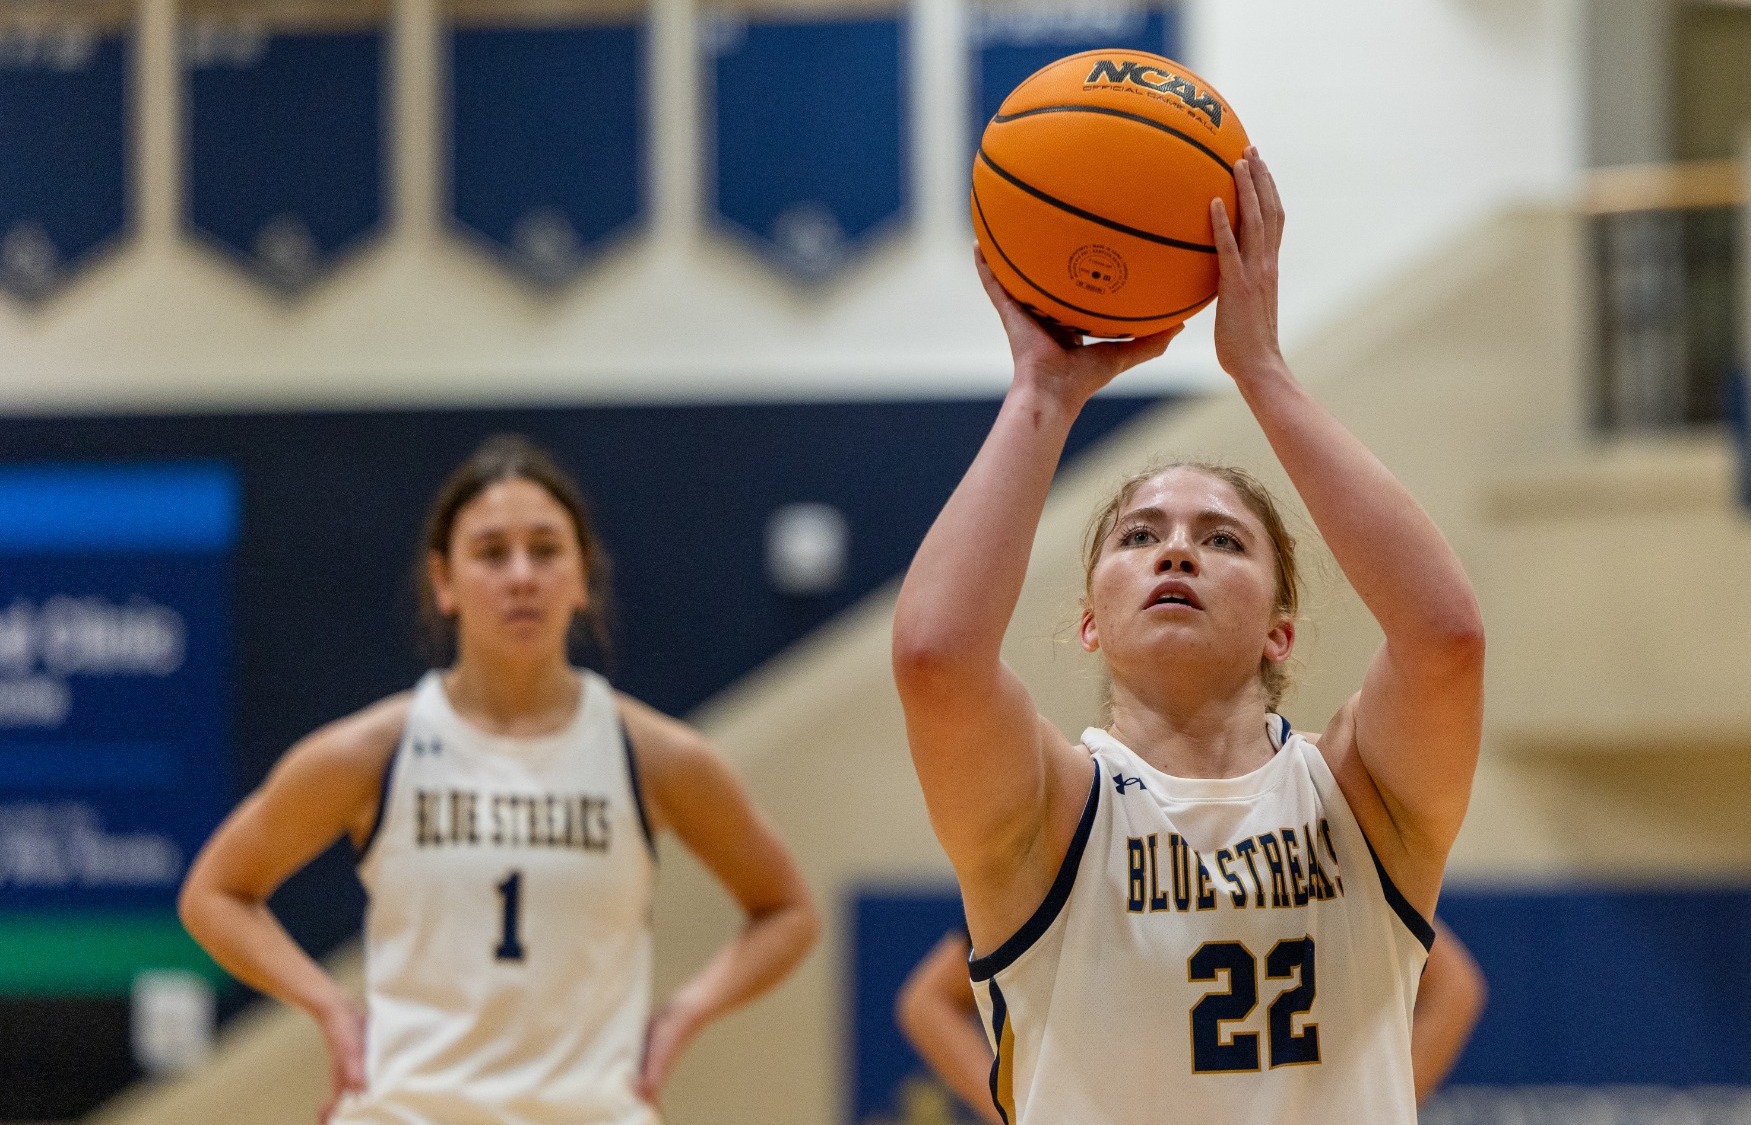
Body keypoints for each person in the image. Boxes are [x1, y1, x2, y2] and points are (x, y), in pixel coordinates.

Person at [890, 148, 1484, 1125]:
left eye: (1220, 540)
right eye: (1138, 535)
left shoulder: (1358, 799)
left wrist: (1261, 370)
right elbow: (935, 661)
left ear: (1279, 631)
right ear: (1087, 619)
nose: (1176, 553)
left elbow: (1444, 636)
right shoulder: (1048, 817)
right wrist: (1040, 396)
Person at [179, 435, 820, 1125]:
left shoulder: (653, 755)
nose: (521, 575)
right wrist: (331, 1007)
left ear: (581, 576)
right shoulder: (374, 751)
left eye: (546, 550)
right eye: (491, 552)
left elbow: (785, 909)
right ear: (444, 581)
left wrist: (681, 1016)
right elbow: (216, 892)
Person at [895, 919, 1486, 1123]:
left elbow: (1454, 986)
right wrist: (1028, 1109)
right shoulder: (1084, 822)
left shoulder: (1316, 813)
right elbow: (927, 1001)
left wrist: (1362, 1108)